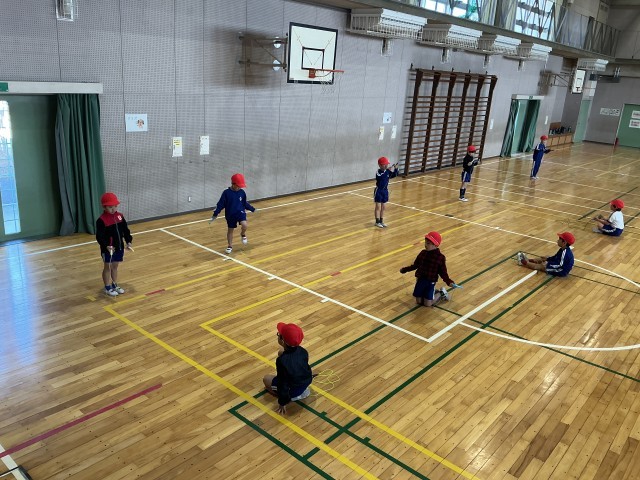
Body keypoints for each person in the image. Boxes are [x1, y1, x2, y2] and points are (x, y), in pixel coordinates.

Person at [263, 322, 313, 414]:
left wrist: (282, 402)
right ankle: (300, 391)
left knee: (266, 379)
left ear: (282, 341)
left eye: (279, 334)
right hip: (306, 382)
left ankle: (294, 396)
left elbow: (283, 384)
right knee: (281, 352)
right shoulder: (303, 351)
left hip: (293, 389)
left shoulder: (282, 361)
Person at [399, 231, 460, 306]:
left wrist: (449, 282)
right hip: (420, 280)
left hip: (430, 282)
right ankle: (429, 294)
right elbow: (415, 265)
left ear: (435, 244)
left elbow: (443, 273)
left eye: (428, 243)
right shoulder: (422, 253)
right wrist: (405, 270)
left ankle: (441, 293)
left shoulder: (440, 258)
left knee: (428, 304)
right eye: (425, 242)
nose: (425, 245)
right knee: (418, 301)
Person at [96, 192, 133, 297]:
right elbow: (99, 237)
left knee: (115, 267)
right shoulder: (101, 220)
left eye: (115, 206)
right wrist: (106, 246)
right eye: (110, 207)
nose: (113, 209)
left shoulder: (120, 216)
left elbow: (125, 230)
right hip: (108, 249)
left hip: (119, 247)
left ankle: (115, 284)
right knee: (107, 267)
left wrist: (128, 241)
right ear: (104, 207)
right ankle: (107, 287)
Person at [210, 173, 256, 254]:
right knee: (230, 230)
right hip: (230, 215)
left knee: (245, 225)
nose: (239, 187)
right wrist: (215, 214)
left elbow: (245, 203)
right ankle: (230, 246)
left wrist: (252, 209)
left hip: (240, 213)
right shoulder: (226, 193)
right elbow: (220, 204)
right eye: (238, 186)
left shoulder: (242, 192)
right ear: (233, 184)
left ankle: (243, 234)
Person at [374, 156, 399, 228]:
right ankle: (377, 221)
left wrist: (396, 169)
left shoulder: (387, 171)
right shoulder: (378, 172)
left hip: (385, 191)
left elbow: (395, 175)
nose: (386, 165)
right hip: (379, 191)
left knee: (383, 207)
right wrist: (387, 171)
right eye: (384, 164)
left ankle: (381, 221)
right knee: (378, 207)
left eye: (387, 164)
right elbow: (381, 177)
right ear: (380, 165)